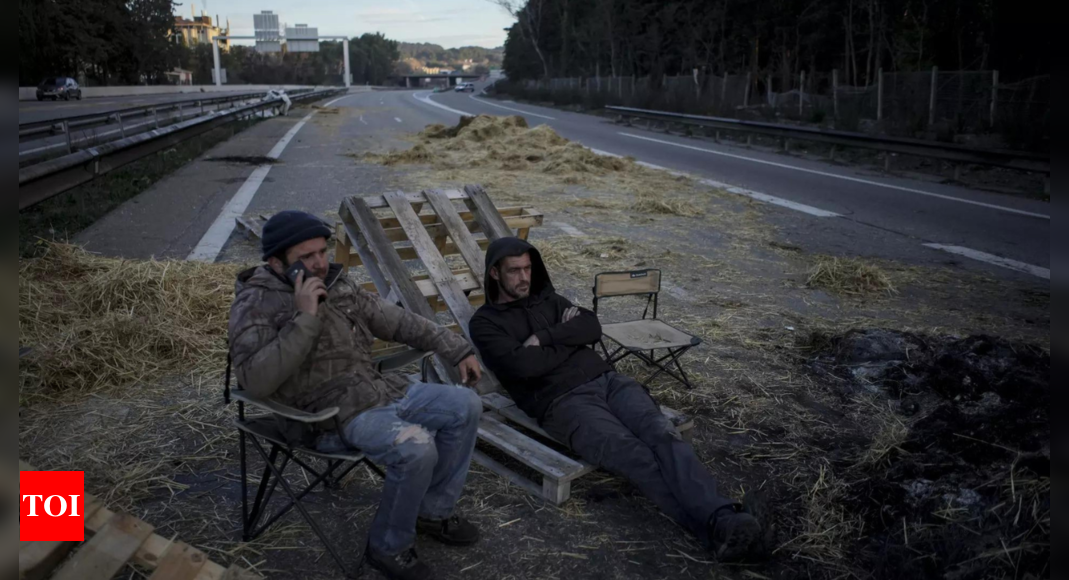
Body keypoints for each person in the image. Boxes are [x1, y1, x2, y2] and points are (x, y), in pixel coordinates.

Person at [469, 238, 763, 562]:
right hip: (564, 403)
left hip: (610, 381)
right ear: (495, 273)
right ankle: (720, 523)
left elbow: (592, 328)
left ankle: (721, 521)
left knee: (663, 434)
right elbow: (524, 367)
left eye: (527, 268)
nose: (524, 277)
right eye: (514, 271)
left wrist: (544, 338)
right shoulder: (485, 324)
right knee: (635, 455)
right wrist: (570, 338)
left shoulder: (549, 300)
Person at [228, 211, 484, 580]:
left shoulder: (338, 285)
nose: (320, 263)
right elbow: (255, 381)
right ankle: (388, 547)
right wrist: (305, 318)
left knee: (466, 404)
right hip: (325, 416)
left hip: (378, 391)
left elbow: (398, 321)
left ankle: (433, 512)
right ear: (275, 262)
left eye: (322, 251)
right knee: (416, 447)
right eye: (307, 257)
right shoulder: (256, 304)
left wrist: (456, 348)